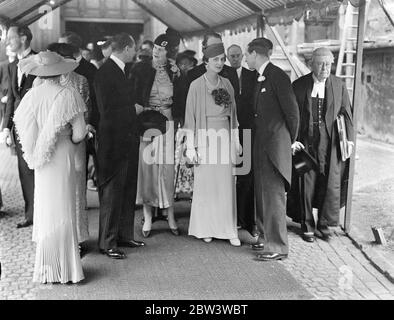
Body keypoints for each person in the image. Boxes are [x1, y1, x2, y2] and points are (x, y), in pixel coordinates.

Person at [13, 51, 87, 283]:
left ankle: (46, 269)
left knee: (46, 206)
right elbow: (80, 133)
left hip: (42, 159)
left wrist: (38, 146)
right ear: (61, 71)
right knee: (64, 204)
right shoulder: (69, 94)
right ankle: (67, 269)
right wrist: (71, 138)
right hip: (63, 153)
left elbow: (22, 127)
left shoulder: (31, 96)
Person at [287, 47, 354, 243]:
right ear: (311, 64)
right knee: (305, 181)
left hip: (329, 141)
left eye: (328, 63)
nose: (325, 67)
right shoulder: (298, 85)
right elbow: (291, 115)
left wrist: (348, 139)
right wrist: (292, 139)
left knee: (328, 181)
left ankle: (323, 225)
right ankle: (307, 224)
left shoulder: (339, 85)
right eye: (320, 63)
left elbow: (346, 113)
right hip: (305, 142)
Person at [244, 37, 299, 261]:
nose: (246, 59)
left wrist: (287, 141)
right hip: (262, 145)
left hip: (274, 147)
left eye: (247, 55)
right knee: (263, 195)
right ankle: (266, 237)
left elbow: (293, 113)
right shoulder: (260, 77)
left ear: (255, 54)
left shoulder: (277, 76)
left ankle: (278, 246)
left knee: (274, 196)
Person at [183, 39, 242, 247]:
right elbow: (190, 118)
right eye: (215, 59)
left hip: (224, 137)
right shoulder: (195, 85)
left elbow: (234, 115)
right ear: (205, 62)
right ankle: (206, 228)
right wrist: (191, 147)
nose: (219, 63)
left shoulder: (227, 83)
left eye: (222, 59)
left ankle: (228, 229)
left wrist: (236, 142)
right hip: (205, 139)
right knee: (207, 187)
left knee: (226, 185)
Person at [94, 33, 144, 260]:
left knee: (126, 192)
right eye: (134, 48)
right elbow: (107, 113)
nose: (135, 52)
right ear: (125, 48)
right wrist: (132, 110)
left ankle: (124, 235)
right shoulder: (106, 73)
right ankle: (107, 242)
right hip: (113, 145)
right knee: (113, 194)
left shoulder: (119, 70)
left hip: (125, 142)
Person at [131, 33, 182, 238]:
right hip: (147, 121)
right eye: (155, 47)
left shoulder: (176, 72)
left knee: (168, 168)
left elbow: (182, 99)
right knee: (148, 168)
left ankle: (170, 214)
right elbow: (132, 97)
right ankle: (148, 216)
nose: (156, 51)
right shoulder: (140, 69)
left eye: (161, 49)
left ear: (169, 53)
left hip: (168, 122)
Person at [46, 42, 91, 253]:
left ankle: (72, 238)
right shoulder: (46, 82)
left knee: (71, 189)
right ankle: (69, 237)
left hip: (66, 141)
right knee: (66, 189)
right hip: (66, 141)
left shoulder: (79, 81)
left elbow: (87, 112)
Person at [1, 24, 36, 229]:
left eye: (11, 38)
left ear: (23, 38)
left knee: (39, 172)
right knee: (24, 172)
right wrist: (6, 127)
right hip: (20, 129)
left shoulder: (41, 60)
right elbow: (13, 99)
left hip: (38, 128)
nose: (8, 42)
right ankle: (30, 214)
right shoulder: (13, 66)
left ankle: (42, 215)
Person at [59, 32, 99, 192]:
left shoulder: (89, 69)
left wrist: (89, 122)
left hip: (87, 125)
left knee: (83, 165)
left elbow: (93, 100)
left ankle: (81, 197)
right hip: (67, 127)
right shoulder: (61, 70)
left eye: (63, 45)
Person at [227, 44, 258, 236]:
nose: (236, 58)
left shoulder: (252, 75)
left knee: (246, 174)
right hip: (228, 130)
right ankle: (231, 217)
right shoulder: (222, 76)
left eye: (238, 55)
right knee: (228, 175)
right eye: (232, 56)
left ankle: (246, 219)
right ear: (228, 57)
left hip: (247, 130)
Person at [0, 45, 16, 127]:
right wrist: (2, 97)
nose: (12, 50)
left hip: (14, 94)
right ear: (7, 52)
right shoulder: (2, 65)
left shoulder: (18, 64)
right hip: (3, 96)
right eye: (9, 49)